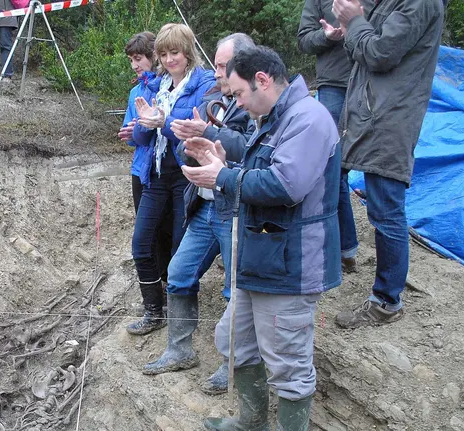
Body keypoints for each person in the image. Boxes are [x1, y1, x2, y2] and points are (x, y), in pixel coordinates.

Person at [182, 45, 340, 430]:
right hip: (260, 256)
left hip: (290, 263)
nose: (236, 102)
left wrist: (222, 177)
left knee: (289, 363)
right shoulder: (274, 118)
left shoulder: (308, 119)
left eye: (237, 94)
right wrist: (223, 162)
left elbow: (285, 186)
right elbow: (259, 174)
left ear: (263, 80)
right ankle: (252, 423)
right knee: (235, 341)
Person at [141, 33, 256, 398]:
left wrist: (208, 134)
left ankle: (232, 363)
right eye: (218, 65)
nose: (217, 72)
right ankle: (180, 350)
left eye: (224, 66)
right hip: (205, 204)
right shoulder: (212, 98)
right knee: (178, 272)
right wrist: (182, 135)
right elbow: (189, 147)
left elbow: (251, 150)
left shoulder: (254, 103)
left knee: (234, 288)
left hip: (235, 206)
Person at [332, 0, 445, 328]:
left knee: (386, 211)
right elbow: (367, 50)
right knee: (331, 177)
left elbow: (380, 53)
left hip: (389, 118)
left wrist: (354, 21)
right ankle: (340, 254)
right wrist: (350, 27)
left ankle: (386, 301)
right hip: (370, 114)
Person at [125, 23, 215, 335]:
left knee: (180, 251)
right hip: (156, 174)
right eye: (163, 54)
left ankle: (181, 322)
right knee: (141, 243)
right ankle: (154, 310)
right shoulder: (157, 85)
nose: (168, 59)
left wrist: (163, 121)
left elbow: (193, 128)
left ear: (188, 52)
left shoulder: (203, 83)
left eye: (174, 52)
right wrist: (145, 123)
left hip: (187, 176)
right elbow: (139, 136)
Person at [297, 0, 373, 274]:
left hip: (371, 83)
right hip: (333, 88)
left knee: (350, 167)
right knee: (329, 166)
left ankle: (344, 248)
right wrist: (327, 36)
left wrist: (358, 24)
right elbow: (304, 40)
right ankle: (344, 249)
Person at [118, 32, 174, 284]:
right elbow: (131, 136)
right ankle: (154, 282)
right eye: (131, 60)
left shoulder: (168, 86)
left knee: (167, 228)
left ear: (153, 56)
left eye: (138, 58)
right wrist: (131, 133)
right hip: (140, 169)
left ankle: (168, 277)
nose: (135, 65)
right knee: (146, 231)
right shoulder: (135, 92)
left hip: (165, 169)